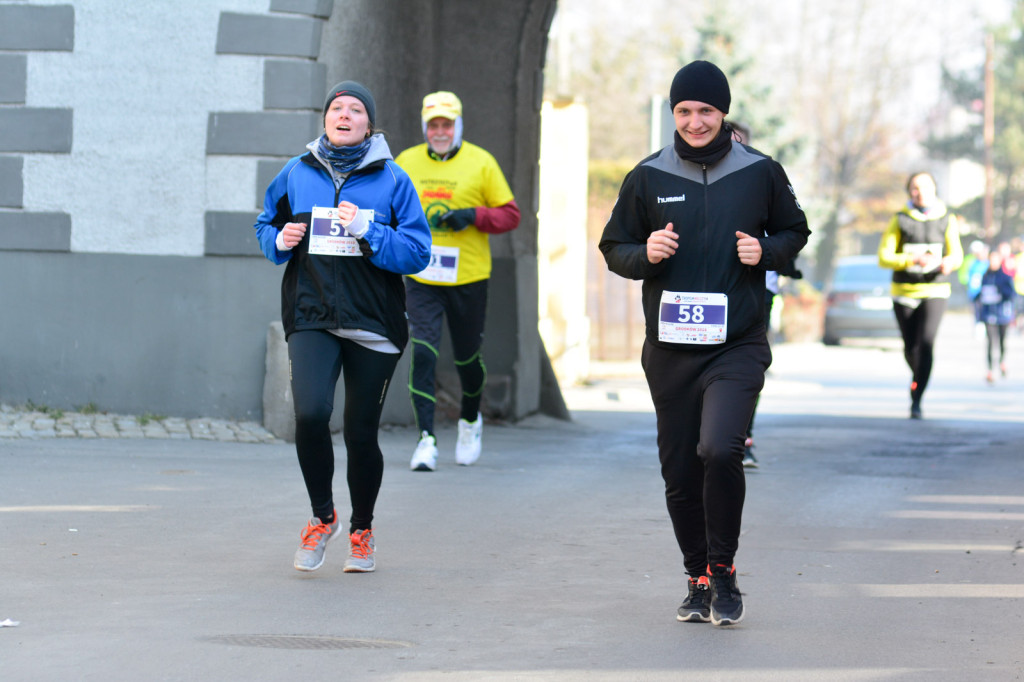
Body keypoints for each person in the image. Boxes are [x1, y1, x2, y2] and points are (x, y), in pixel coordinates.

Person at [599, 61, 809, 626]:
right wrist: (646, 255)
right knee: (679, 470)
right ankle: (696, 575)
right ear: (674, 114)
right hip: (669, 350)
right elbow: (613, 246)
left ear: (723, 114)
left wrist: (765, 251)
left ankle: (724, 567)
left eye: (706, 111)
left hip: (735, 343)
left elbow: (796, 231)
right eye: (685, 111)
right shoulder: (648, 176)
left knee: (719, 449)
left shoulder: (760, 171)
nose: (695, 122)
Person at [254, 81, 431, 573]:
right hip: (312, 316)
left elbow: (418, 252)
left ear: (369, 125)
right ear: (326, 120)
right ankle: (322, 517)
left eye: (356, 109)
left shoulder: (393, 180)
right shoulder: (297, 171)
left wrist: (369, 230)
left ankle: (362, 530)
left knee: (359, 430)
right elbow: (264, 226)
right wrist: (280, 238)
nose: (345, 114)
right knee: (310, 414)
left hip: (373, 322)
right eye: (337, 108)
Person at [395, 91, 521, 471]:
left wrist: (473, 216)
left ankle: (469, 419)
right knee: (423, 353)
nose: (439, 131)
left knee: (467, 358)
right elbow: (388, 207)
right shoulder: (406, 161)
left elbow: (510, 215)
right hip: (422, 275)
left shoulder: (481, 162)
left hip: (468, 276)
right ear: (425, 127)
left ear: (458, 126)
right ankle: (426, 441)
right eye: (433, 125)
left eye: (446, 124)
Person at [878, 172, 964, 420]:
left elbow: (956, 254)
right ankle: (919, 376)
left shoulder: (946, 218)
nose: (920, 192)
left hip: (935, 290)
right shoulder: (900, 219)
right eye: (915, 188)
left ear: (935, 188)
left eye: (925, 186)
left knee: (926, 344)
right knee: (910, 347)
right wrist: (912, 259)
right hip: (904, 291)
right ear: (909, 192)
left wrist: (949, 262)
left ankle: (917, 398)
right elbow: (884, 257)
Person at [972, 247, 1017, 382]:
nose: (993, 262)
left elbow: (1011, 295)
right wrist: (978, 298)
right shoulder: (985, 276)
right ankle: (990, 370)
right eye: (991, 259)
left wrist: (1001, 292)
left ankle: (1002, 362)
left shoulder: (1005, 277)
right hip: (988, 314)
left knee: (1002, 341)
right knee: (990, 342)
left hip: (1002, 314)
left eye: (995, 259)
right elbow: (980, 293)